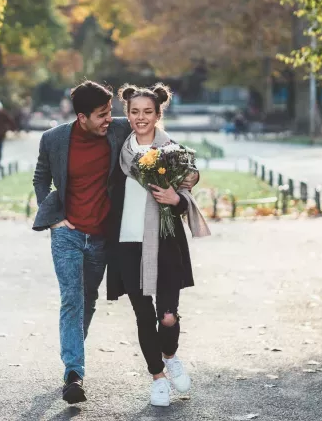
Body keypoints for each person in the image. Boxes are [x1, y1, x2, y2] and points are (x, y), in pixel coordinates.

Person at [32, 80, 132, 405]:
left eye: (110, 112)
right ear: (81, 117)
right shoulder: (54, 139)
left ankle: (72, 357)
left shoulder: (118, 130)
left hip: (101, 235)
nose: (108, 119)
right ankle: (74, 373)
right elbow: (41, 176)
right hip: (67, 232)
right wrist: (53, 216)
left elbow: (150, 130)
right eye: (102, 115)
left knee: (88, 299)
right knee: (72, 298)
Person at [107, 83, 205, 407]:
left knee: (167, 316)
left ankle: (171, 355)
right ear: (128, 114)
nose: (140, 118)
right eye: (134, 112)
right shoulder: (120, 153)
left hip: (165, 243)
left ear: (158, 114)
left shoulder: (173, 152)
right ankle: (157, 378)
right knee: (143, 316)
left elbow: (187, 193)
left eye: (147, 112)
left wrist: (175, 198)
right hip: (126, 243)